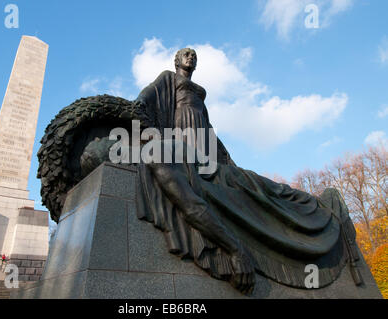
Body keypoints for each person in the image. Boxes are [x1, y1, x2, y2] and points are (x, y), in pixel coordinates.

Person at [133, 48, 361, 294]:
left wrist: (226, 157)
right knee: (215, 173)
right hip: (181, 134)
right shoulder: (168, 78)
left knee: (258, 185)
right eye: (186, 54)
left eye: (194, 55)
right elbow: (143, 100)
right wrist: (144, 128)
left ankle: (314, 210)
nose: (191, 57)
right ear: (177, 60)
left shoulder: (199, 92)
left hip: (202, 138)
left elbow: (208, 126)